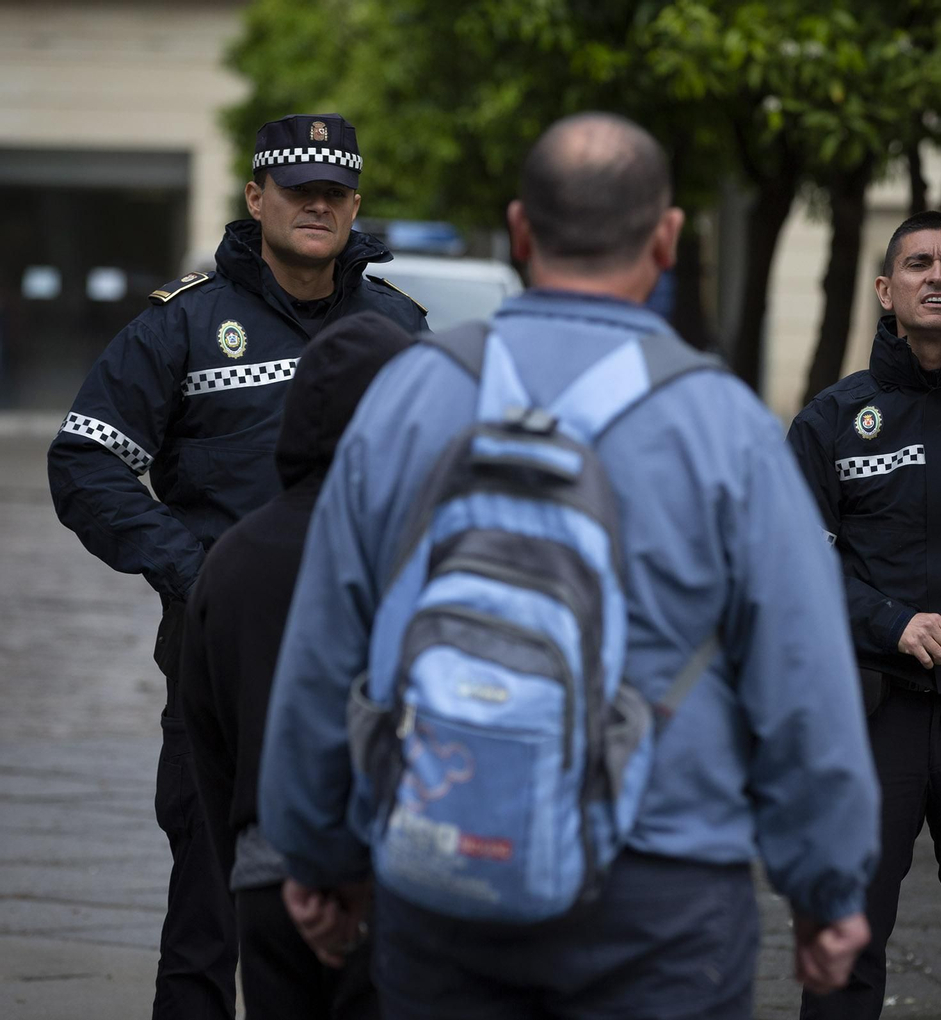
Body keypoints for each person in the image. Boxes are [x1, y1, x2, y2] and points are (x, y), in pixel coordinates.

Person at [255, 111, 880, 1020]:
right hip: (663, 897)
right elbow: (804, 680)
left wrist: (317, 856)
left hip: (442, 865)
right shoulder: (725, 427)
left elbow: (324, 645)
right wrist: (828, 886)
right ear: (666, 239)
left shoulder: (412, 394)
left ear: (519, 230)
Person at [45, 112, 427, 1019]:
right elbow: (84, 459)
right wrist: (194, 571)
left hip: (380, 657)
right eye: (298, 191)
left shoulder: (400, 326)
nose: (316, 207)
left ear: (355, 206)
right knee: (211, 898)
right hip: (230, 651)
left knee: (390, 891)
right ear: (257, 197)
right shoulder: (184, 324)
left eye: (333, 194)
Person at [787, 210, 941, 1020]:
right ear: (887, 292)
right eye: (919, 264)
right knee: (845, 948)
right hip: (871, 713)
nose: (937, 276)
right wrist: (889, 620)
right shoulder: (830, 421)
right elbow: (795, 563)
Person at [178, 312, 414, 1020]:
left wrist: (245, 865)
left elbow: (207, 738)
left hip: (265, 875)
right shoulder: (413, 543)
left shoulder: (232, 557)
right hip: (390, 874)